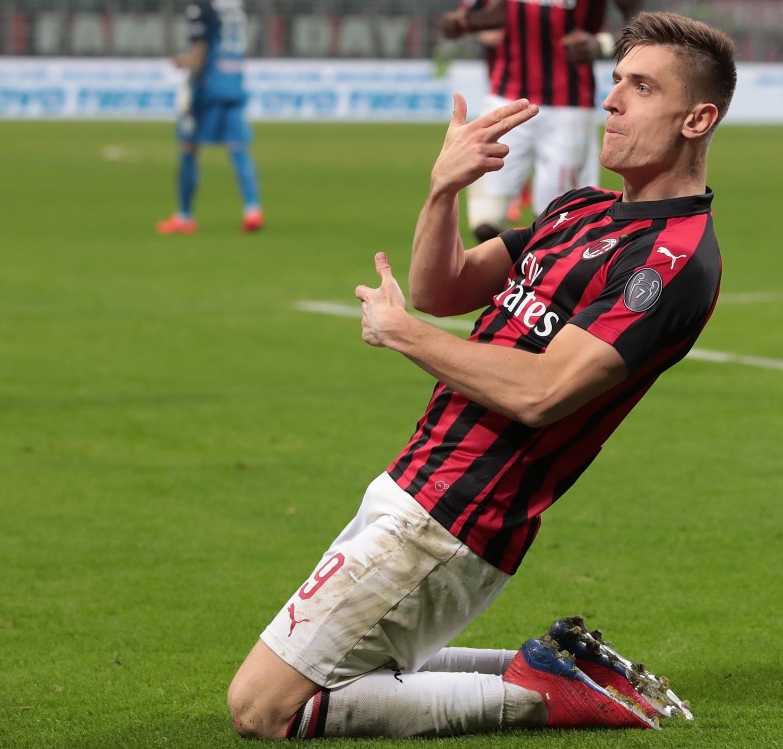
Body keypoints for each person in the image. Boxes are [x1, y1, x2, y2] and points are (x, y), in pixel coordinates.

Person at [227, 11, 736, 740]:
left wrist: (404, 333)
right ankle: (562, 669)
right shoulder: (581, 209)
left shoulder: (673, 259)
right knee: (316, 674)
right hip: (414, 479)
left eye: (642, 87)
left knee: (264, 708)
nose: (611, 101)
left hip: (463, 512)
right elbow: (443, 287)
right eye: (617, 80)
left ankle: (542, 697)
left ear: (698, 119)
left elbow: (544, 392)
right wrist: (443, 190)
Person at [439, 0, 645, 242]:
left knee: (561, 222)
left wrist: (602, 44)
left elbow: (636, 17)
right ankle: (514, 266)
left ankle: (540, 265)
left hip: (569, 107)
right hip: (507, 98)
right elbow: (502, 10)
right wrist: (464, 23)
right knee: (486, 221)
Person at [156, 0, 263, 235]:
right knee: (238, 149)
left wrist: (186, 71)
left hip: (208, 89)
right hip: (234, 85)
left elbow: (200, 50)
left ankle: (184, 216)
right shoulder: (235, 5)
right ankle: (252, 210)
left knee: (189, 146)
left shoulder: (201, 7)